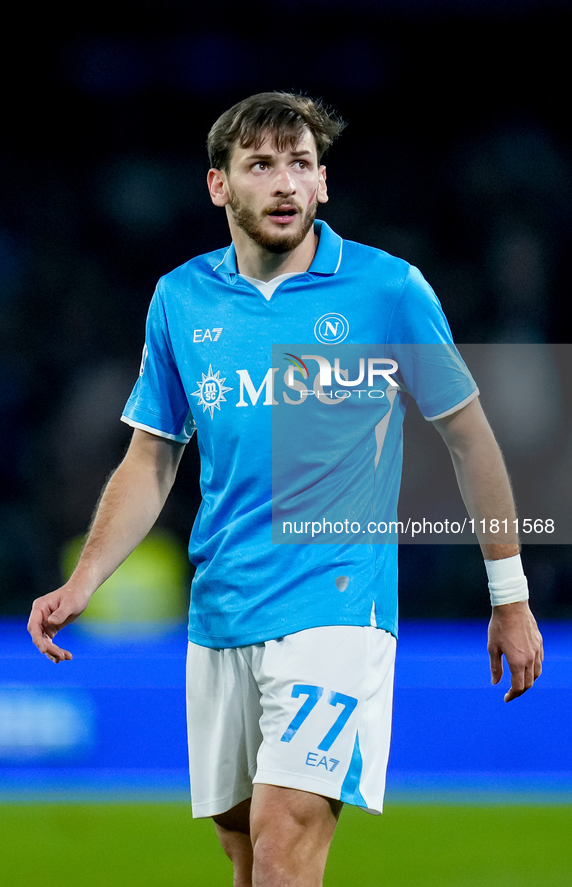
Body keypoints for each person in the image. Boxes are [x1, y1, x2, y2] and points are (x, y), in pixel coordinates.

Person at [28, 92, 543, 887]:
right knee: (245, 855)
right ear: (218, 186)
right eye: (260, 165)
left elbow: (467, 435)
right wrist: (87, 575)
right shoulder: (181, 299)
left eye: (300, 164)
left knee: (280, 846)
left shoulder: (387, 290)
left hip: (337, 603)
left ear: (323, 184)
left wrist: (508, 593)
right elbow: (152, 458)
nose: (284, 183)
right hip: (224, 607)